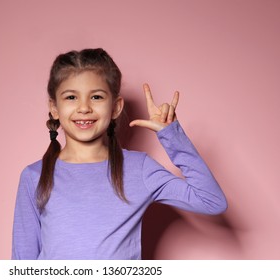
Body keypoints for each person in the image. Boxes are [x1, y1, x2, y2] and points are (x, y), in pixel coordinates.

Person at [12, 48, 227, 260]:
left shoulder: (139, 169)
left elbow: (211, 201)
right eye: (71, 97)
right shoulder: (34, 176)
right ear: (54, 108)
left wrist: (171, 136)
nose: (84, 107)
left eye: (96, 97)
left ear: (116, 107)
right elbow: (22, 261)